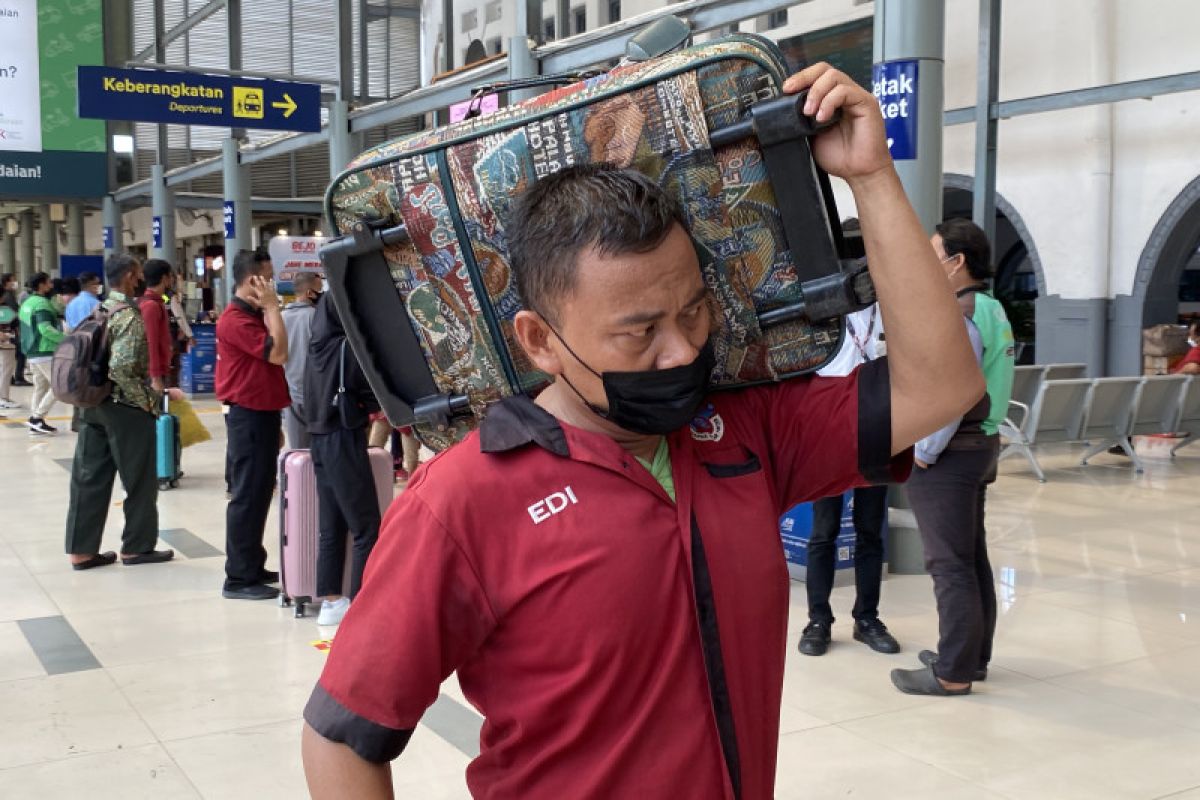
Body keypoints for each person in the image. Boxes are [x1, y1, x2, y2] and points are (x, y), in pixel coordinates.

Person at [301, 63, 985, 799]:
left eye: (693, 311)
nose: (683, 351)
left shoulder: (742, 434)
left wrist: (872, 177)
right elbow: (340, 739)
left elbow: (939, 385)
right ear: (539, 341)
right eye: (640, 332)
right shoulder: (463, 501)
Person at [890, 218, 1015, 697]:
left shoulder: (959, 312)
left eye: (934, 252)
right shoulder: (991, 308)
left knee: (949, 564)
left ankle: (952, 672)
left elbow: (950, 389)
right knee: (971, 557)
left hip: (951, 452)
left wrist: (924, 449)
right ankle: (971, 655)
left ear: (957, 261)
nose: (928, 262)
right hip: (982, 444)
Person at [796, 297, 899, 658]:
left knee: (870, 530)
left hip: (876, 425)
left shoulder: (890, 310)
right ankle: (818, 620)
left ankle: (867, 618)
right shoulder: (824, 311)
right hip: (829, 426)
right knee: (824, 532)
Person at [64, 254, 176, 571]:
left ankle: (81, 551)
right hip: (123, 408)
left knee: (89, 478)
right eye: (139, 273)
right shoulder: (129, 315)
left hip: (92, 403)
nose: (142, 278)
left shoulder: (98, 309)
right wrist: (147, 402)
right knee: (140, 479)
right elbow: (123, 368)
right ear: (129, 276)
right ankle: (137, 547)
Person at [304, 293, 382, 626]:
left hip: (318, 437)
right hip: (343, 435)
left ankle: (332, 602)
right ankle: (363, 604)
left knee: (331, 524)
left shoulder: (316, 348)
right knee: (366, 527)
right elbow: (367, 389)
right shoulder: (346, 348)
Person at [216, 249, 289, 601]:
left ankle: (252, 564)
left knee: (260, 493)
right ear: (252, 281)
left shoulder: (252, 315)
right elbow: (278, 354)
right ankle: (238, 577)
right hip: (247, 415)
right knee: (246, 495)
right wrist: (273, 307)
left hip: (262, 413)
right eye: (268, 277)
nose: (272, 285)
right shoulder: (236, 320)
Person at [18, 272, 65, 434]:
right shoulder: (41, 304)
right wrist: (66, 339)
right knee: (59, 386)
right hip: (44, 350)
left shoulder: (27, 303)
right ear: (41, 285)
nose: (51, 285)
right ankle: (37, 418)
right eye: (49, 283)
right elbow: (45, 328)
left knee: (41, 387)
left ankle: (35, 420)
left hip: (31, 351)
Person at [281, 272, 321, 450]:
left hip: (289, 393)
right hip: (317, 394)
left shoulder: (280, 318)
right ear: (309, 293)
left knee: (298, 451)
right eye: (320, 290)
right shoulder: (318, 317)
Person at [140, 260, 176, 395]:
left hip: (160, 370)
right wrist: (155, 377)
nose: (172, 280)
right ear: (164, 278)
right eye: (170, 276)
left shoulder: (157, 302)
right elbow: (151, 342)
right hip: (154, 374)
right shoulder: (151, 306)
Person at [0, 272, 19, 412]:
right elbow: (10, 322)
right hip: (5, 342)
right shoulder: (6, 305)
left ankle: (4, 397)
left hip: (7, 340)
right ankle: (3, 398)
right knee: (6, 370)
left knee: (5, 370)